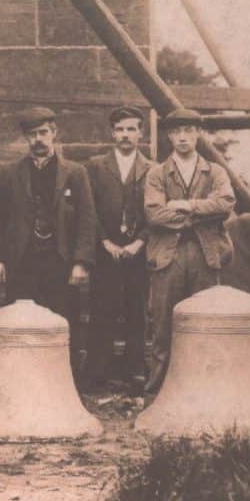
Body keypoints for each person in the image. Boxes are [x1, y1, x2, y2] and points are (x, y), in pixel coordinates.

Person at [0, 106, 96, 371]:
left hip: (60, 261)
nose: (38, 140)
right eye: (32, 134)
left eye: (43, 132)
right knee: (20, 323)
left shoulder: (75, 172)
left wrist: (81, 262)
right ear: (25, 138)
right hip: (22, 262)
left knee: (63, 321)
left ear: (54, 133)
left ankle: (65, 382)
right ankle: (20, 379)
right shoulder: (10, 174)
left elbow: (87, 219)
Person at [143, 107, 236, 392]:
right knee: (163, 326)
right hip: (167, 257)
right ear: (170, 136)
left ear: (198, 134)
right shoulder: (157, 173)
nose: (182, 138)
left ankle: (206, 390)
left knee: (205, 321)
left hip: (205, 254)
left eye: (188, 131)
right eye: (176, 132)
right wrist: (201, 213)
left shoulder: (215, 171)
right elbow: (154, 214)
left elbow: (226, 204)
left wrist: (185, 205)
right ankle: (158, 392)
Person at [83, 105, 156, 387]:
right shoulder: (95, 166)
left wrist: (140, 241)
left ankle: (135, 368)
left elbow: (157, 210)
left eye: (131, 129)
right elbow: (88, 208)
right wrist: (104, 241)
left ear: (141, 133)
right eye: (120, 129)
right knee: (102, 308)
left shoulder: (153, 169)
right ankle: (96, 371)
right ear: (112, 133)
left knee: (137, 310)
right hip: (106, 250)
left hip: (139, 251)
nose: (125, 135)